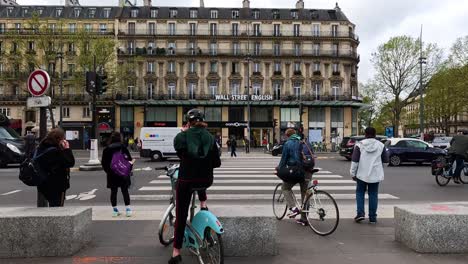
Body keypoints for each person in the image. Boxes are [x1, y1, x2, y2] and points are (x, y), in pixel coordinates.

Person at [170, 109, 221, 264]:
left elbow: (180, 154)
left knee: (181, 215)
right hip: (205, 180)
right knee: (200, 178)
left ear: (188, 122)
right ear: (203, 121)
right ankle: (203, 203)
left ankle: (176, 251)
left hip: (186, 181)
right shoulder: (211, 138)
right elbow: (217, 163)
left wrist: (183, 133)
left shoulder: (181, 137)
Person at [350, 127, 389, 224]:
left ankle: (360, 214)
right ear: (375, 135)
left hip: (361, 175)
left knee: (360, 193)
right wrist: (380, 169)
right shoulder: (381, 145)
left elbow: (355, 161)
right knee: (373, 195)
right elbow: (386, 161)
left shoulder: (359, 145)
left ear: (365, 134)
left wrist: (353, 173)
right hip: (375, 175)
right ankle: (372, 218)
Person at [36, 128, 75, 207]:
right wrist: (67, 149)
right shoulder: (56, 151)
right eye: (63, 138)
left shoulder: (41, 147)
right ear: (59, 139)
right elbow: (70, 162)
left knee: (50, 206)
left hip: (43, 183)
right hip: (57, 185)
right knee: (57, 208)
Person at [102, 132, 134, 217]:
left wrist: (108, 171)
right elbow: (129, 160)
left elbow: (104, 163)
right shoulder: (123, 147)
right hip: (123, 173)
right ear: (120, 138)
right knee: (125, 191)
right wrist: (128, 170)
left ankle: (115, 210)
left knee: (113, 192)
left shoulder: (107, 149)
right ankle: (128, 210)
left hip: (112, 174)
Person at [277, 128, 307, 220]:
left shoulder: (288, 143)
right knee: (305, 195)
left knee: (285, 188)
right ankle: (304, 219)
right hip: (304, 171)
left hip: (294, 171)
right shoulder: (302, 142)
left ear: (287, 136)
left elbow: (284, 159)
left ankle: (293, 208)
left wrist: (279, 169)